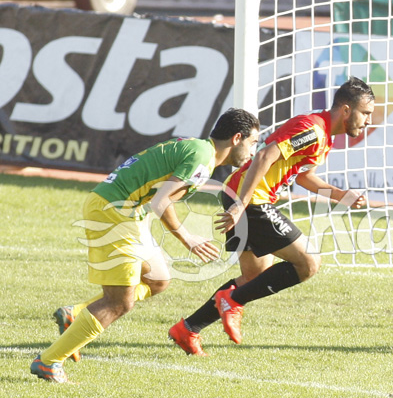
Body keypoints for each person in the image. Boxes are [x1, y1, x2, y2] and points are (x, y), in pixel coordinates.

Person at [30, 108, 261, 382]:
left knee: (157, 279)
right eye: (253, 143)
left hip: (130, 211)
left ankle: (76, 315)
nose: (252, 151)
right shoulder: (202, 157)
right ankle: (48, 362)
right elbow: (161, 201)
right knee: (119, 302)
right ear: (237, 138)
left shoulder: (200, 150)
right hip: (113, 211)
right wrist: (187, 238)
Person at [167, 77, 374, 356]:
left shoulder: (324, 136)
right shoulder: (312, 130)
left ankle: (188, 328)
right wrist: (241, 204)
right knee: (309, 263)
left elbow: (304, 178)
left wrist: (340, 195)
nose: (367, 121)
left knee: (254, 277)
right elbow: (264, 156)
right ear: (347, 110)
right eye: (366, 113)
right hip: (250, 199)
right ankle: (231, 301)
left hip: (242, 195)